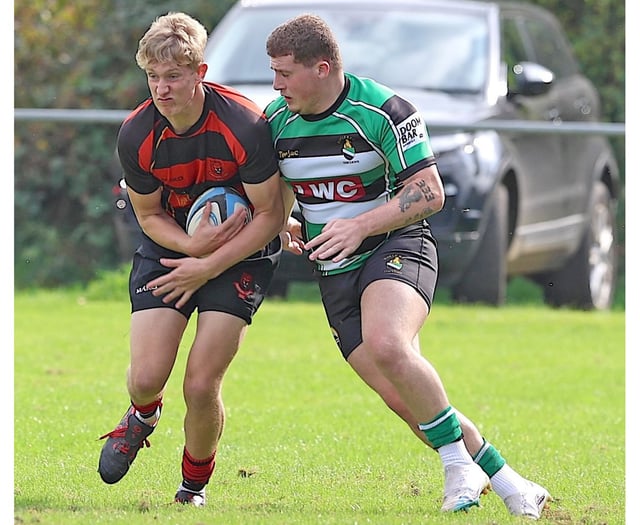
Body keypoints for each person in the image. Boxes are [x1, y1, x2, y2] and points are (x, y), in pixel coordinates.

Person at [265, 14, 550, 518]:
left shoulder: (384, 110)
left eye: (285, 73)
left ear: (322, 68)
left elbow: (431, 193)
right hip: (333, 274)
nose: (276, 83)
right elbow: (282, 197)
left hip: (395, 246)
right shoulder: (276, 122)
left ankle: (457, 466)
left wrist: (360, 226)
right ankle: (509, 483)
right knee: (404, 400)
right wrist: (284, 224)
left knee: (389, 344)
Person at [97, 12, 284, 507]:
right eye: (153, 77)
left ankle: (192, 488)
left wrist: (210, 263)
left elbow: (270, 214)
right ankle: (141, 416)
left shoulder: (244, 123)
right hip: (173, 248)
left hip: (244, 254)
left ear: (200, 73)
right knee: (145, 378)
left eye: (173, 76)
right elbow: (149, 215)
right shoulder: (137, 133)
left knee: (201, 383)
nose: (162, 88)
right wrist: (192, 249)